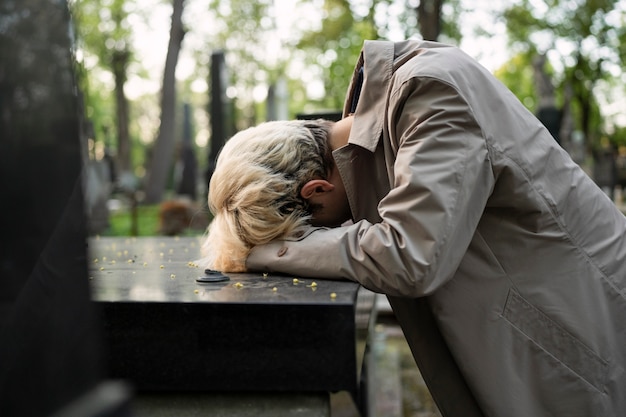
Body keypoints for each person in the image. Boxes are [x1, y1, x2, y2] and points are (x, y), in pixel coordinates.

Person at [201, 40, 626, 417]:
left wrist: (272, 252)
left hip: (582, 337)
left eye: (309, 229)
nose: (327, 233)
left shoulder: (431, 94)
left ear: (316, 189)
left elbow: (411, 254)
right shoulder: (389, 116)